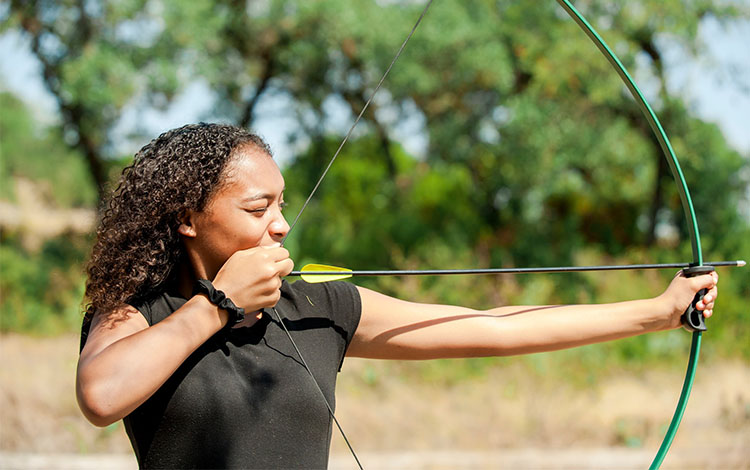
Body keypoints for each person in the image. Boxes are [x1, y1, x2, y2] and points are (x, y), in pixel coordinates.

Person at [76, 123, 718, 469]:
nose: (281, 224)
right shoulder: (135, 311)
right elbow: (102, 397)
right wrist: (216, 305)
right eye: (256, 207)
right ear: (187, 217)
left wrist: (657, 312)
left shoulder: (318, 310)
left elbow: (494, 327)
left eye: (282, 203)